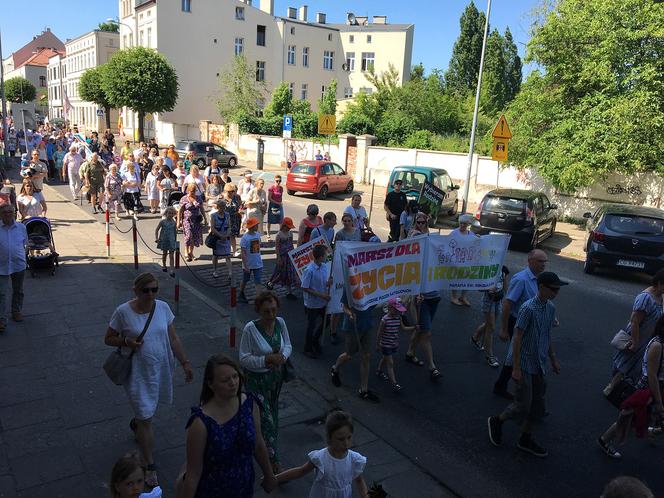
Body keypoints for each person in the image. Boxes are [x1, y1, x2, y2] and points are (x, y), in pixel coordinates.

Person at [104, 272, 193, 487]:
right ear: (135, 290)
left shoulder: (162, 308)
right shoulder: (123, 312)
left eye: (155, 289)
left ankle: (138, 423)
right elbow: (108, 338)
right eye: (146, 290)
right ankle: (149, 463)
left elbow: (173, 337)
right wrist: (126, 341)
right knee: (146, 416)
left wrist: (185, 363)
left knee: (148, 413)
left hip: (159, 369)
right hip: (136, 373)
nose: (151, 294)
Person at [487, 272, 567, 458]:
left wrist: (553, 358)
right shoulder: (528, 308)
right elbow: (517, 338)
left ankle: (525, 437)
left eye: (558, 289)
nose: (556, 292)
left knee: (538, 405)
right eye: (553, 289)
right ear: (542, 287)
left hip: (539, 363)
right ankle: (497, 421)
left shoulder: (551, 308)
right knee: (523, 403)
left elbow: (547, 335)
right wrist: (515, 367)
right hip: (524, 363)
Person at [178, 354, 277, 497]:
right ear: (211, 384)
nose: (233, 383)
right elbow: (193, 473)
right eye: (225, 380)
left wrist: (269, 475)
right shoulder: (200, 423)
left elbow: (258, 443)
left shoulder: (249, 404)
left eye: (235, 376)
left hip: (244, 488)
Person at [240, 291, 292, 473]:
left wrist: (283, 357)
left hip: (274, 381)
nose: (271, 315)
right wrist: (265, 360)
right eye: (266, 312)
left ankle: (257, 442)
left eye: (273, 310)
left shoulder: (280, 322)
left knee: (272, 416)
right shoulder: (250, 329)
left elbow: (287, 344)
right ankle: (273, 461)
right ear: (258, 311)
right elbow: (243, 358)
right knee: (267, 419)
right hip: (256, 380)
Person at [598, 314, 664, 459]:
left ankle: (652, 430)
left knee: (636, 418)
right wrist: (658, 401)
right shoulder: (657, 345)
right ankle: (604, 440)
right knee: (629, 418)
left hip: (657, 387)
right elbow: (652, 375)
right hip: (649, 389)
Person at [493, 249, 548, 400]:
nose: (543, 265)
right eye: (540, 261)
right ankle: (510, 386)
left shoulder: (539, 279)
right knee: (517, 353)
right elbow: (507, 304)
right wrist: (504, 329)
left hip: (530, 323)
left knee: (517, 354)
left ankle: (503, 385)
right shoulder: (521, 279)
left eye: (545, 262)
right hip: (517, 322)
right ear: (530, 261)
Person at [276, 410, 368, 497]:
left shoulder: (354, 459)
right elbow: (301, 471)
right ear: (329, 437)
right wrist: (275, 478)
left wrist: (365, 496)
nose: (346, 443)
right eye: (341, 439)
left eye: (349, 437)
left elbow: (359, 480)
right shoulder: (320, 458)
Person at [605, 270, 664, 396]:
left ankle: (625, 389)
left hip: (650, 339)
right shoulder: (646, 298)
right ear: (659, 283)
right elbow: (635, 321)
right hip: (638, 337)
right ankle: (611, 387)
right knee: (625, 363)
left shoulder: (662, 297)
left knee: (637, 366)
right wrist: (635, 342)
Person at [404, 212, 442, 381]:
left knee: (420, 328)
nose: (420, 224)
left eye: (423, 222)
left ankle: (410, 352)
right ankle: (432, 366)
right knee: (426, 333)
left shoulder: (431, 238)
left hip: (435, 294)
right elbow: (412, 239)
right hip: (422, 297)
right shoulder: (416, 236)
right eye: (417, 222)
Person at [330, 287, 379, 402]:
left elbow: (374, 303)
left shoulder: (371, 284)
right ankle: (335, 368)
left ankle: (364, 389)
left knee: (366, 356)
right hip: (353, 327)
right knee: (349, 354)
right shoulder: (350, 286)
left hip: (367, 324)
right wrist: (350, 314)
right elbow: (344, 306)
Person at [471, 265, 510, 368]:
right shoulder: (487, 267)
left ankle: (475, 337)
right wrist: (488, 289)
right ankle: (489, 355)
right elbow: (479, 287)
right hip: (489, 300)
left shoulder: (504, 269)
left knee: (489, 324)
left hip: (499, 299)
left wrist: (508, 298)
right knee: (491, 327)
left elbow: (505, 285)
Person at [375, 298, 416, 392]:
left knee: (385, 358)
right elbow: (379, 333)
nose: (398, 312)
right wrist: (377, 345)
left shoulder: (398, 318)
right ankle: (394, 383)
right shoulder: (384, 320)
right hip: (385, 344)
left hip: (393, 343)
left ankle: (379, 370)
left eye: (399, 310)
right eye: (396, 309)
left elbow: (404, 328)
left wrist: (414, 328)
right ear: (389, 308)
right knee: (390, 363)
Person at [0, 196, 28, 332]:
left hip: (18, 264)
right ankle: (1, 319)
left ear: (14, 214)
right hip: (2, 265)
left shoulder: (21, 227)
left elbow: (24, 244)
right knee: (1, 293)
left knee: (18, 290)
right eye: (4, 213)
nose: (7, 215)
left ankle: (16, 311)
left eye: (10, 212)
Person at [301, 245, 331, 358]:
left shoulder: (324, 266)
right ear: (320, 256)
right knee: (311, 325)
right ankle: (307, 348)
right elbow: (305, 287)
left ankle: (315, 339)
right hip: (312, 304)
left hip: (322, 302)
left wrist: (328, 283)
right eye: (325, 254)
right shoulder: (309, 270)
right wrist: (322, 296)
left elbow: (324, 281)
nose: (327, 256)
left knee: (326, 321)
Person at [450, 214, 480, 306]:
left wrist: (478, 238)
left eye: (464, 224)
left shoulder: (471, 234)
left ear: (468, 224)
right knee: (455, 279)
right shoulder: (454, 233)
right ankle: (453, 297)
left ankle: (463, 297)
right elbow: (448, 244)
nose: (462, 225)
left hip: (467, 261)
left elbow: (476, 245)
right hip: (456, 260)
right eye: (461, 223)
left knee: (467, 279)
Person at [266, 217, 299, 299]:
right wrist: (278, 258)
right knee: (279, 272)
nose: (289, 228)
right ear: (284, 226)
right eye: (288, 227)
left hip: (289, 256)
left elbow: (291, 245)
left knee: (289, 273)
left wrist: (293, 254)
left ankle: (289, 291)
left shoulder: (290, 234)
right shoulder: (279, 235)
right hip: (282, 256)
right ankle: (271, 283)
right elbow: (277, 248)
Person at [239, 217, 264, 303]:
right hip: (248, 264)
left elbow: (259, 245)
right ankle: (241, 292)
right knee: (245, 279)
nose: (257, 226)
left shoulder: (257, 235)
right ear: (252, 226)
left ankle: (258, 299)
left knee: (258, 281)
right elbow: (243, 253)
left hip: (257, 263)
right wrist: (246, 265)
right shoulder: (245, 238)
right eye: (256, 225)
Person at [178, 183, 204, 261]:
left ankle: (191, 253)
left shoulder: (198, 198)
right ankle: (186, 252)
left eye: (194, 191)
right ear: (188, 190)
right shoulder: (184, 198)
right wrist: (178, 221)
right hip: (187, 220)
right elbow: (180, 211)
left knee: (194, 236)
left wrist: (205, 218)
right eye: (191, 191)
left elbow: (201, 208)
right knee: (188, 236)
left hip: (196, 220)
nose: (192, 193)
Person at [209, 200, 232, 279]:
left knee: (228, 255)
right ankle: (215, 270)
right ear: (217, 207)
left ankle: (230, 272)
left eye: (223, 207)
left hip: (226, 237)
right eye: (221, 207)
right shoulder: (213, 215)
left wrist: (226, 235)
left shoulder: (227, 214)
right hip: (217, 238)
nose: (222, 209)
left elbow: (229, 226)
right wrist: (220, 236)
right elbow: (212, 228)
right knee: (216, 255)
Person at [155, 207, 177, 276]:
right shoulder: (162, 222)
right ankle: (164, 265)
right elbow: (157, 230)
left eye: (172, 213)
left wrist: (175, 241)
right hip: (164, 240)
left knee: (171, 256)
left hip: (171, 240)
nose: (170, 215)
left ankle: (171, 270)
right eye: (169, 213)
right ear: (166, 213)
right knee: (164, 254)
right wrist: (156, 238)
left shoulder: (174, 222)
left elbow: (174, 232)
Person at [222, 183, 242, 257]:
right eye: (229, 191)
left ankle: (234, 251)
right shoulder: (222, 198)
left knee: (232, 235)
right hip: (225, 219)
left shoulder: (237, 197)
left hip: (234, 219)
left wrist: (239, 210)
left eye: (232, 191)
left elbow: (239, 205)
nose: (231, 193)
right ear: (225, 191)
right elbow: (218, 207)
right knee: (225, 236)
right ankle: (226, 251)